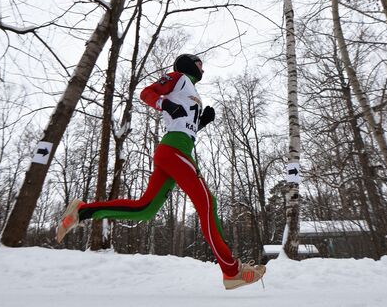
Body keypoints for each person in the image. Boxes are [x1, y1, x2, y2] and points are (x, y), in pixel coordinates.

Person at [55, 53, 266, 290]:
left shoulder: (191, 92)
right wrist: (164, 103)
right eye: (200, 65)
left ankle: (82, 212)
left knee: (145, 209)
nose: (203, 70)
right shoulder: (178, 77)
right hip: (174, 150)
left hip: (176, 150)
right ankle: (232, 271)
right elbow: (147, 93)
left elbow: (183, 123)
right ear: (188, 64)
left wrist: (201, 122)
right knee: (208, 203)